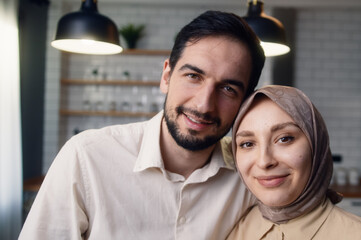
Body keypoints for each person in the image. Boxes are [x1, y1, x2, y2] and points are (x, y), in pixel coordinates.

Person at [19, 10, 265, 240]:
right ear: (166, 76)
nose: (203, 105)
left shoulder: (252, 174)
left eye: (228, 89)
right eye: (193, 76)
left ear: (245, 101)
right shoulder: (85, 156)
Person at [227, 85, 361, 240]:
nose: (264, 161)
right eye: (247, 144)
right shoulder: (231, 231)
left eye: (284, 139)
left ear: (316, 146)